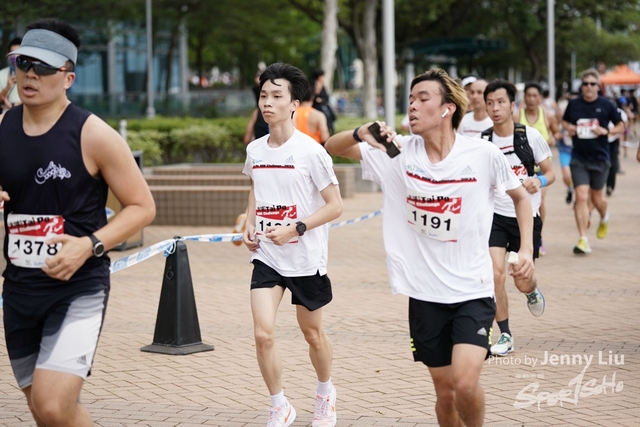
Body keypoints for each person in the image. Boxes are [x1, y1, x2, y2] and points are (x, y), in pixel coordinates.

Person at [324, 68, 535, 427]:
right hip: (424, 294)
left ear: (447, 109)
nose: (413, 106)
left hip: (472, 289)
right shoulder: (398, 154)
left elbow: (520, 198)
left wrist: (526, 249)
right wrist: (361, 132)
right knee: (446, 393)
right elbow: (332, 147)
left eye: (423, 99)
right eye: (411, 99)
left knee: (465, 384)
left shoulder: (482, 154)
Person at [0, 19, 155, 426]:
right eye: (23, 63)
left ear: (68, 77)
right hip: (19, 290)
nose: (30, 74)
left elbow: (142, 207)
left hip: (77, 288)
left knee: (52, 403)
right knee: (45, 411)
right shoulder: (2, 128)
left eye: (43, 67)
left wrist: (89, 245)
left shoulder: (94, 134)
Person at [242, 62, 343, 427]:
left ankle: (325, 393)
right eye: (263, 96)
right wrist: (249, 221)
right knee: (262, 334)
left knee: (312, 334)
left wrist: (295, 228)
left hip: (305, 258)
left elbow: (335, 206)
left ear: (294, 104)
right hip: (267, 256)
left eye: (276, 96)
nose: (267, 102)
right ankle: (279, 404)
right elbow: (256, 188)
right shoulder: (255, 150)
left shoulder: (311, 152)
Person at [482, 79, 554, 357]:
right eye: (490, 103)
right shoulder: (483, 142)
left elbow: (550, 172)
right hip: (495, 217)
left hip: (526, 217)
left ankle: (531, 291)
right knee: (495, 275)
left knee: (522, 280)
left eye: (501, 102)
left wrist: (539, 180)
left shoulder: (529, 136)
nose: (495, 108)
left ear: (512, 105)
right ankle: (505, 334)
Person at [562, 69, 624, 254]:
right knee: (581, 196)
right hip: (579, 158)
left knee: (597, 199)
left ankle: (604, 217)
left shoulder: (606, 105)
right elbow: (564, 122)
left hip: (600, 159)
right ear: (581, 87)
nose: (588, 87)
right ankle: (583, 239)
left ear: (598, 86)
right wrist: (569, 128)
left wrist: (607, 131)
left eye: (592, 84)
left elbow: (621, 125)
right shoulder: (574, 104)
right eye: (585, 84)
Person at [513, 82, 561, 256]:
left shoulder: (547, 115)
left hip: (541, 167)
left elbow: (557, 132)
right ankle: (522, 235)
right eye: (528, 96)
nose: (532, 99)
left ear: (540, 98)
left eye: (535, 96)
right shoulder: (517, 115)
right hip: (521, 167)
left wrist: (553, 139)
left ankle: (538, 237)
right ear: (524, 97)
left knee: (540, 199)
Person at [605, 106, 628, 196]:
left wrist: (617, 134)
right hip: (600, 140)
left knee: (613, 162)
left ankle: (610, 186)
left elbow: (623, 125)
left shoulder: (619, 112)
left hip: (613, 140)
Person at [0, 37, 22, 113]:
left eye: (18, 53)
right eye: (13, 53)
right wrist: (8, 87)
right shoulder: (1, 74)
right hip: (6, 115)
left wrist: (13, 106)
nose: (15, 56)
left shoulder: (31, 73)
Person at [311, 68, 337, 134]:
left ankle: (330, 130)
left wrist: (321, 100)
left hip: (323, 105)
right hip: (316, 106)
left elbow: (326, 97)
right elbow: (311, 96)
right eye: (322, 76)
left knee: (330, 115)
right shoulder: (312, 85)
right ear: (319, 77)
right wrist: (316, 94)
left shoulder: (322, 86)